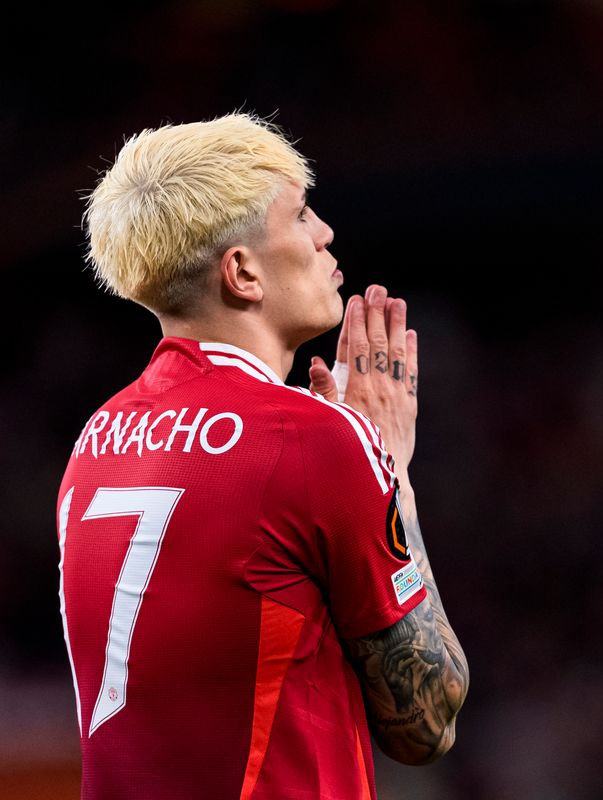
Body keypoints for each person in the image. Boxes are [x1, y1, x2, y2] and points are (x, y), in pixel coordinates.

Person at [54, 112, 467, 799]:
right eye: (301, 214)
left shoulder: (95, 441)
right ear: (242, 271)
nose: (324, 232)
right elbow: (427, 723)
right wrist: (391, 474)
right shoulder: (309, 437)